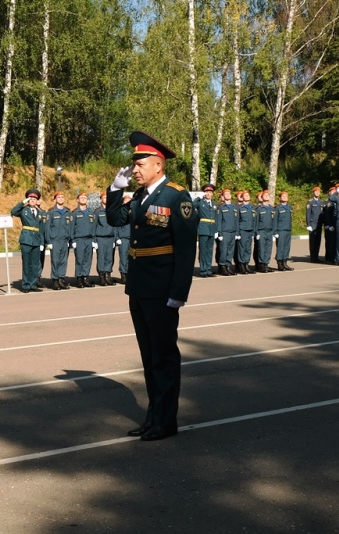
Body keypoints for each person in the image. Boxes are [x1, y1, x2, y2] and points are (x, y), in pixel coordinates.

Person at [106, 131, 198, 441]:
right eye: (134, 165)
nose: (134, 170)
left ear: (158, 165)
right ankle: (153, 416)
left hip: (162, 290)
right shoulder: (142, 196)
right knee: (149, 357)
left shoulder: (176, 196)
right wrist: (116, 190)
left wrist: (178, 293)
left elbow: (185, 249)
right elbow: (116, 219)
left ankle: (166, 421)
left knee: (164, 357)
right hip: (140, 287)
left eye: (140, 164)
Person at [11, 189, 45, 293]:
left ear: (37, 200)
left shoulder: (41, 212)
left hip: (36, 240)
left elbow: (42, 228)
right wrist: (23, 202)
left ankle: (33, 284)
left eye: (35, 198)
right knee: (26, 263)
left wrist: (42, 242)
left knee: (35, 263)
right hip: (26, 239)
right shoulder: (23, 210)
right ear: (28, 200)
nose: (32, 200)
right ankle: (25, 285)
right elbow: (13, 211)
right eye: (30, 198)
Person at [44, 191, 73, 290]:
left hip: (65, 240)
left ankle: (61, 279)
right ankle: (55, 281)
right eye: (59, 197)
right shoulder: (51, 212)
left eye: (62, 197)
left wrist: (70, 240)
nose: (61, 199)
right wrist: (48, 241)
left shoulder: (68, 212)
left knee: (63, 261)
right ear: (55, 199)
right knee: (55, 261)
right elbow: (47, 228)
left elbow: (71, 227)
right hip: (55, 240)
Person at [71, 192, 96, 287]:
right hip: (79, 240)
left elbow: (93, 227)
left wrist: (94, 240)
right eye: (81, 197)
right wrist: (73, 241)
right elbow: (72, 228)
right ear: (77, 200)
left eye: (85, 197)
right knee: (79, 260)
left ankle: (85, 278)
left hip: (89, 239)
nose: (83, 199)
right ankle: (79, 279)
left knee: (88, 260)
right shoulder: (74, 213)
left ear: (87, 200)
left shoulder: (91, 212)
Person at [194, 184, 217, 277]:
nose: (208, 193)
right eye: (206, 192)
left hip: (212, 229)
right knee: (203, 250)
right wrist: (198, 198)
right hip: (203, 228)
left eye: (210, 192)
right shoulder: (200, 202)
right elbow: (191, 205)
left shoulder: (214, 204)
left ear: (212, 194)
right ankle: (203, 270)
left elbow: (217, 217)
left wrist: (217, 230)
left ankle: (208, 269)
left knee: (210, 250)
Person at [93, 193, 117, 285]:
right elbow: (94, 226)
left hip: (110, 238)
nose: (106, 199)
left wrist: (115, 238)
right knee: (101, 258)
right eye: (104, 197)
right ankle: (102, 277)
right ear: (101, 199)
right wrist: (94, 241)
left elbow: (115, 225)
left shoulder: (112, 211)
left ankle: (108, 275)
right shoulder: (97, 211)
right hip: (100, 238)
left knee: (109, 258)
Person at [215, 189, 238, 275]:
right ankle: (222, 266)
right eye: (226, 194)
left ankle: (228, 266)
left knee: (230, 251)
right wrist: (219, 233)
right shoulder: (221, 207)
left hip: (233, 232)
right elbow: (219, 221)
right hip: (224, 232)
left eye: (229, 193)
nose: (228, 195)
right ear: (223, 196)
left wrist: (237, 232)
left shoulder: (235, 207)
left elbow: (237, 221)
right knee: (223, 250)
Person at [254, 190, 275, 272]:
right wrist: (256, 232)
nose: (266, 196)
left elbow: (274, 221)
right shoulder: (259, 209)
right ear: (261, 198)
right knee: (261, 249)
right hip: (261, 231)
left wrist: (274, 232)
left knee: (268, 249)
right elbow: (256, 221)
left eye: (268, 195)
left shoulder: (272, 209)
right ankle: (261, 265)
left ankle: (266, 264)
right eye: (264, 195)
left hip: (269, 231)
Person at [236, 190, 257, 274]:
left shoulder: (253, 208)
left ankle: (246, 265)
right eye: (245, 195)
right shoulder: (239, 208)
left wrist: (254, 232)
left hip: (250, 230)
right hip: (243, 230)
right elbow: (237, 221)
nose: (247, 196)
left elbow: (255, 221)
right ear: (242, 197)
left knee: (248, 249)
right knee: (242, 248)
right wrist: (238, 232)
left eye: (248, 195)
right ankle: (241, 266)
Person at [273, 191, 294, 271]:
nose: (285, 197)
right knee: (280, 247)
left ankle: (285, 262)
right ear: (280, 198)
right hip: (280, 230)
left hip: (288, 229)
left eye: (286, 196)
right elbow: (275, 220)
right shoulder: (278, 208)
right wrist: (275, 232)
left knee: (286, 247)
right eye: (283, 196)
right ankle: (280, 264)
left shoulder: (289, 207)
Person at [305, 186, 324, 262]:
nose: (317, 193)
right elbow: (308, 214)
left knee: (318, 240)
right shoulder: (310, 202)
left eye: (318, 191)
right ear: (313, 192)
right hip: (313, 223)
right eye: (316, 191)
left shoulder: (321, 202)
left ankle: (316, 256)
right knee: (313, 241)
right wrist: (308, 224)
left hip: (319, 224)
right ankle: (312, 257)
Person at [114, 203, 131, 284]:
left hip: (132, 239)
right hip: (123, 239)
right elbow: (116, 227)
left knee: (131, 258)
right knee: (123, 258)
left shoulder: (133, 213)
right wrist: (117, 238)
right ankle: (123, 275)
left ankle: (130, 275)